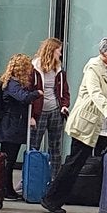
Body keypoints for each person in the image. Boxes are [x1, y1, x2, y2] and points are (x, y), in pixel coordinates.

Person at [45, 37, 107, 213]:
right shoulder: (93, 68)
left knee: (106, 164)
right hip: (88, 123)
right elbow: (95, 93)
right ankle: (52, 198)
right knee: (75, 162)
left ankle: (104, 202)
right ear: (104, 54)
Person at [0, 52, 39, 199]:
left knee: (9, 159)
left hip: (11, 125)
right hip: (10, 126)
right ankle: (5, 189)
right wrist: (37, 93)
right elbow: (23, 98)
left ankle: (6, 188)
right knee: (8, 160)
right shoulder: (13, 83)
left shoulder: (10, 82)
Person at [31, 38, 69, 169]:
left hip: (55, 110)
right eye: (59, 51)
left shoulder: (59, 70)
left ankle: (55, 179)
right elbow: (30, 91)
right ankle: (31, 179)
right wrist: (31, 115)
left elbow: (64, 90)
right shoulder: (35, 68)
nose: (60, 54)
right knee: (34, 146)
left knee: (55, 147)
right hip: (39, 112)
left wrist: (64, 105)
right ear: (51, 51)